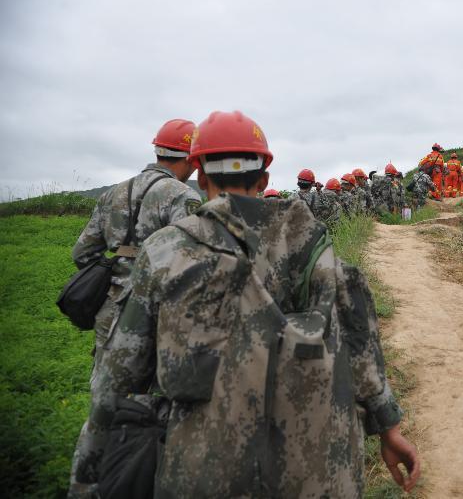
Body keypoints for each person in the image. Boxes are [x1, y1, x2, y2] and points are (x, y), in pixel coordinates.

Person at [71, 111, 419, 497]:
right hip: (319, 473)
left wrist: (87, 477)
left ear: (200, 176)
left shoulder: (165, 253)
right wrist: (390, 428)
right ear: (265, 179)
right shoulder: (317, 248)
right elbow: (361, 344)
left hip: (207, 472)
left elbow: (116, 380)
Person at [68, 119, 202, 494]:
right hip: (159, 316)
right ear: (191, 158)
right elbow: (189, 260)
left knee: (104, 408)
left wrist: (119, 269)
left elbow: (83, 252)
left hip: (111, 314)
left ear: (158, 149)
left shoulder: (114, 193)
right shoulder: (181, 196)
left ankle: (85, 487)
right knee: (168, 405)